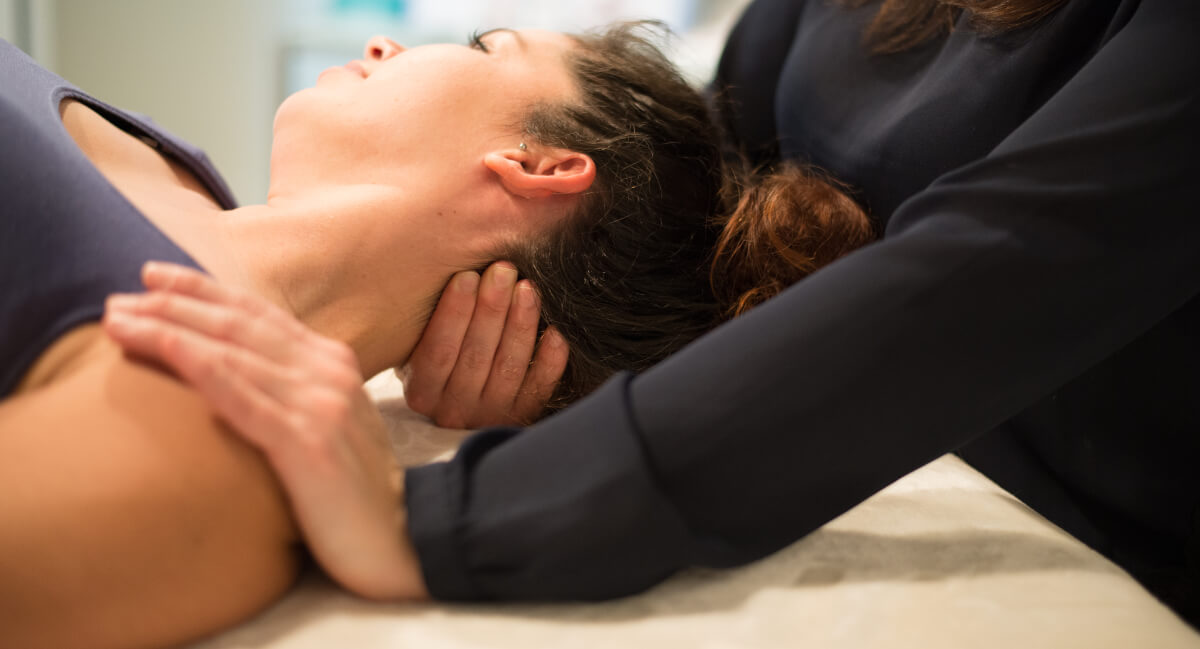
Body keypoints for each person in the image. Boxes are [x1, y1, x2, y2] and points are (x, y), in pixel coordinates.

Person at [103, 0, 1200, 631]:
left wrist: (437, 523)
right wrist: (566, 341)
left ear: (537, 162)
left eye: (491, 42)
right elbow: (706, 186)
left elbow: (989, 275)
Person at [0, 23, 874, 649]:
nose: (386, 43)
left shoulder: (211, 420)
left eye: (483, 46)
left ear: (540, 166)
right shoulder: (176, 167)